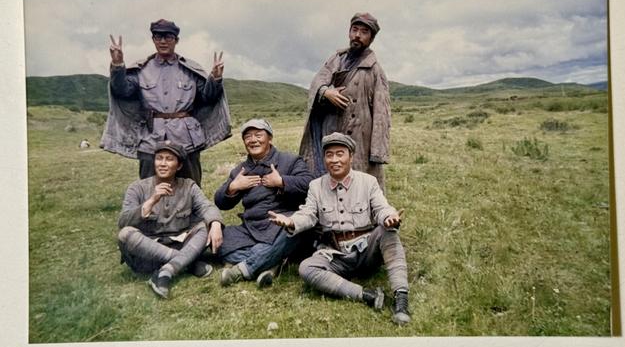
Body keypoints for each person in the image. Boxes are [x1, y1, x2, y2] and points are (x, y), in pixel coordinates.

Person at [269, 132, 410, 325]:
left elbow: (381, 208)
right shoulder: (316, 186)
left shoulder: (368, 181)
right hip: (335, 255)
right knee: (306, 268)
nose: (334, 160)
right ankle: (365, 295)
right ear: (324, 159)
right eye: (329, 155)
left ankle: (401, 299)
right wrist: (291, 222)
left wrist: (389, 218)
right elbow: (308, 214)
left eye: (340, 154)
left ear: (351, 157)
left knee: (388, 232)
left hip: (367, 252)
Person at [100, 19, 232, 187]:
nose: (163, 41)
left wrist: (215, 78)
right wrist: (118, 65)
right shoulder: (142, 69)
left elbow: (208, 97)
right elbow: (122, 91)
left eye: (168, 37)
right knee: (150, 189)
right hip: (151, 140)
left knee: (189, 188)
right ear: (153, 40)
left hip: (186, 140)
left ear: (176, 40)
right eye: (158, 37)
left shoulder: (190, 69)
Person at [117, 140, 224, 299]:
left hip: (180, 243)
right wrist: (151, 200)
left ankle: (167, 271)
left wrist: (215, 223)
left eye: (169, 159)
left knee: (206, 226)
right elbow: (123, 222)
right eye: (159, 158)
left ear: (179, 166)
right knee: (125, 234)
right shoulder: (137, 188)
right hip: (148, 253)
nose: (163, 163)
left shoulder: (189, 186)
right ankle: (187, 263)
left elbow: (206, 206)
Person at [214, 119, 314, 288]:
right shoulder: (241, 170)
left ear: (270, 138)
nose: (253, 140)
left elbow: (309, 183)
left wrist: (282, 181)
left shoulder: (290, 160)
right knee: (219, 241)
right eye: (248, 137)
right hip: (251, 228)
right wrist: (233, 187)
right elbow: (220, 202)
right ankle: (273, 261)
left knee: (294, 229)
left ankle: (242, 270)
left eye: (258, 135)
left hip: (279, 224)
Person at [299, 12, 391, 190]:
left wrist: (378, 153)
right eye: (354, 30)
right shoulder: (336, 59)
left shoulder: (375, 70)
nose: (357, 35)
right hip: (331, 132)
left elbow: (382, 113)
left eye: (364, 32)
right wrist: (326, 92)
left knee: (359, 185)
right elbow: (318, 81)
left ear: (371, 38)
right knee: (327, 179)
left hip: (359, 138)